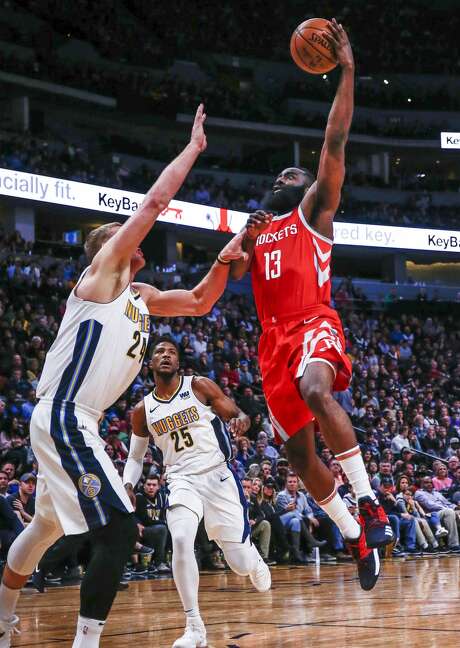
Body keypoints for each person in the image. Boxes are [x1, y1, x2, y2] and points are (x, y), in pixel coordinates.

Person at [0, 104, 247, 648]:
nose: (134, 240)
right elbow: (157, 202)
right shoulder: (103, 275)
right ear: (111, 248)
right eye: (123, 236)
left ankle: (2, 623)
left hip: (71, 422)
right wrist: (194, 148)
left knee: (43, 529)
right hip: (66, 415)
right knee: (119, 530)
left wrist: (226, 260)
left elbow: (202, 302)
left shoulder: (141, 297)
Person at [230, 19, 392, 590]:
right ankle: (352, 533)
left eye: (294, 174)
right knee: (299, 457)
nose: (286, 176)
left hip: (312, 322)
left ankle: (370, 503)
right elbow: (219, 277)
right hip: (271, 341)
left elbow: (335, 142)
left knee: (317, 390)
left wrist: (347, 69)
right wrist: (242, 239)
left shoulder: (313, 212)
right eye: (280, 174)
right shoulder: (259, 229)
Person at [124, 337, 271, 648]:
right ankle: (194, 627)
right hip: (180, 480)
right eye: (159, 352)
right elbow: (136, 458)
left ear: (179, 362)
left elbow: (235, 413)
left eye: (171, 352)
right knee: (179, 538)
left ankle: (253, 558)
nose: (165, 355)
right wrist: (127, 485)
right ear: (150, 364)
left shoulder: (199, 386)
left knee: (240, 565)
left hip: (217, 476)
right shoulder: (143, 410)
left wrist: (242, 421)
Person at [134, 476, 170, 575]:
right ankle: (159, 563)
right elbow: (137, 517)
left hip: (155, 529)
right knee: (162, 528)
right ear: (144, 486)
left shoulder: (162, 497)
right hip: (141, 531)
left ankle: (170, 560)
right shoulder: (138, 497)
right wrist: (136, 523)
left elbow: (164, 516)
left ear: (158, 487)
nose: (151, 487)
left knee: (169, 530)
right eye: (148, 485)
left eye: (154, 485)